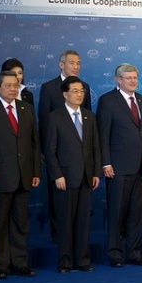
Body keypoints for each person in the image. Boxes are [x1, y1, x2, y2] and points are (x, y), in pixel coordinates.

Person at [0, 71, 41, 279]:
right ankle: (1, 265)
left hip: (24, 176)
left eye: (16, 85)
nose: (13, 89)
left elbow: (34, 144)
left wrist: (35, 171)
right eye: (8, 85)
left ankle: (20, 262)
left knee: (20, 223)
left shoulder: (27, 109)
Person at [97, 64, 142, 268]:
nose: (133, 81)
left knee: (137, 213)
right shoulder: (107, 101)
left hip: (141, 166)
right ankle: (114, 254)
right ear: (118, 80)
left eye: (135, 77)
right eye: (128, 77)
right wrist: (105, 162)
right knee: (117, 212)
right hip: (118, 166)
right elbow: (103, 134)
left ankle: (134, 252)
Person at [45, 76, 101, 273]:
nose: (79, 95)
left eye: (82, 91)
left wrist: (95, 172)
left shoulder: (89, 116)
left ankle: (83, 261)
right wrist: (57, 175)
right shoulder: (55, 117)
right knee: (66, 222)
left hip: (86, 176)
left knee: (83, 222)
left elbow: (95, 146)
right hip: (65, 178)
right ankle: (66, 262)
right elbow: (50, 150)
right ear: (65, 94)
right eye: (75, 91)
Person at [39, 50, 92, 242]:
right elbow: (44, 121)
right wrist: (45, 151)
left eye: (78, 63)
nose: (76, 66)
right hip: (57, 153)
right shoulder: (48, 87)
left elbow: (88, 123)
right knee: (58, 200)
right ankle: (58, 235)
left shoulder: (84, 86)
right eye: (71, 63)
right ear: (61, 65)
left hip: (80, 158)